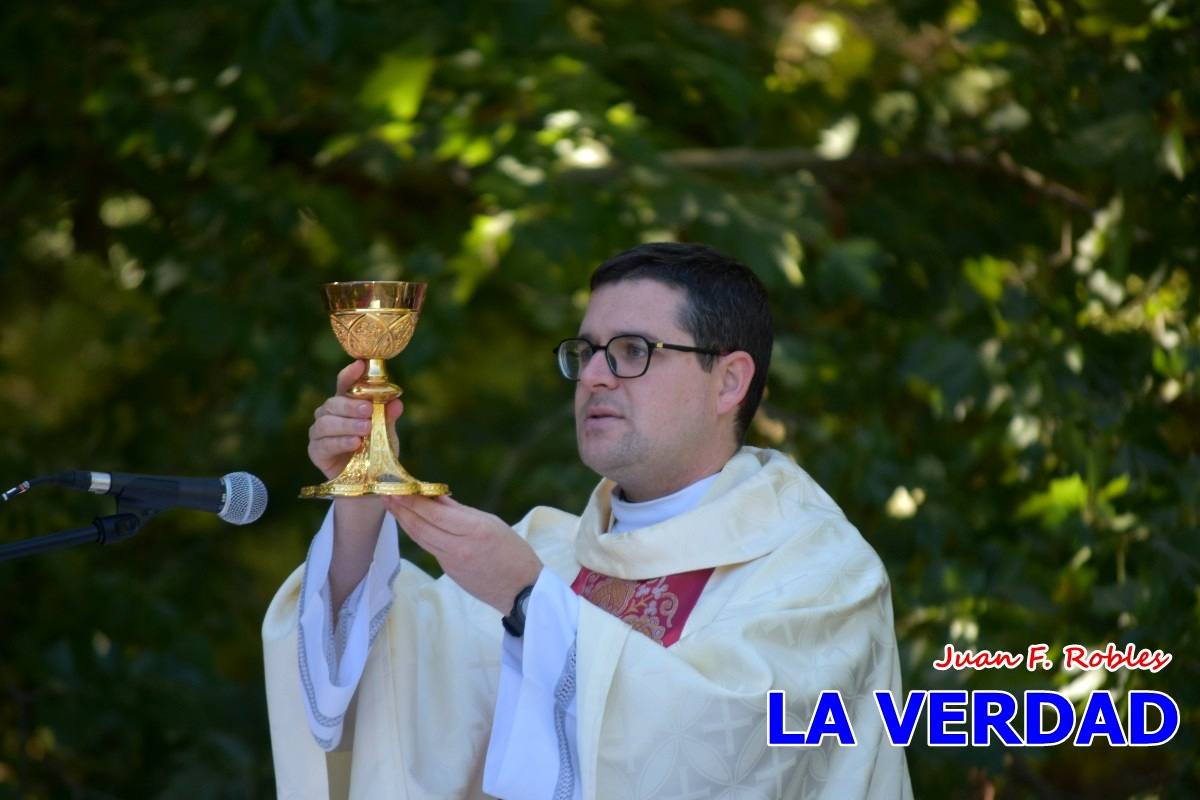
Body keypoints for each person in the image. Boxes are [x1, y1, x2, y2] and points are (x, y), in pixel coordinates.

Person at [263, 242, 912, 799]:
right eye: (586, 351)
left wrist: (529, 602)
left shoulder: (817, 570)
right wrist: (362, 508)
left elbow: (733, 750)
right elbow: (385, 707)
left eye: (632, 351)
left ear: (729, 381)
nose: (594, 377)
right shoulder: (546, 550)